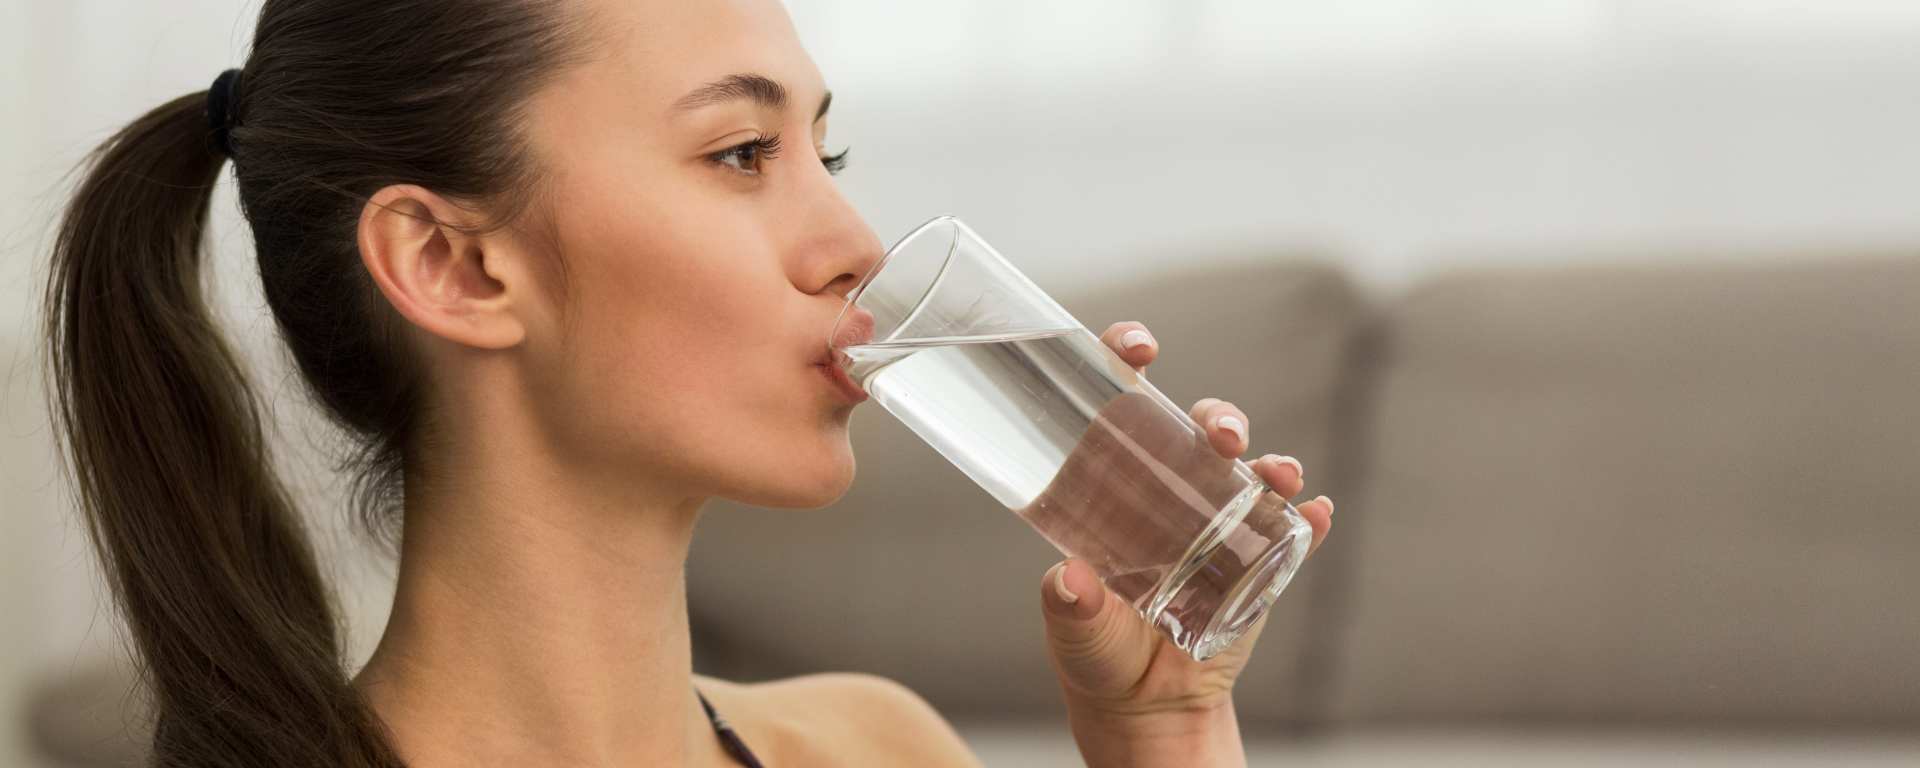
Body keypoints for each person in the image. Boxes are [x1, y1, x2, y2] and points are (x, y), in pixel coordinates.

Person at [39, 0, 1335, 765]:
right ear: (451, 266)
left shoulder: (875, 747)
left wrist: (1169, 735)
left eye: (826, 149)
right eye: (740, 152)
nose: (855, 245)